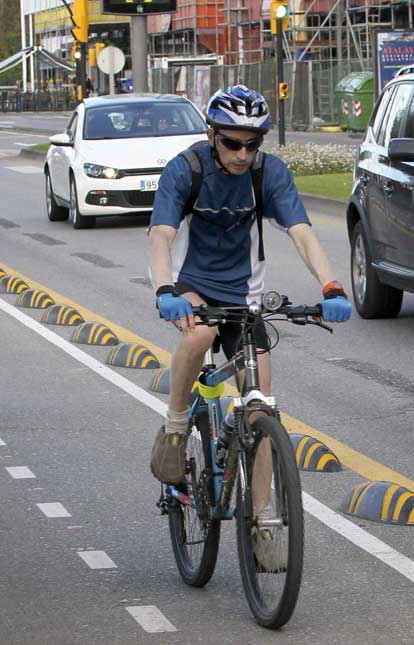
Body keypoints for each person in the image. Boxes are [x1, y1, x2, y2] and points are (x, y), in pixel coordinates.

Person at [146, 85, 351, 489]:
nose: (242, 154)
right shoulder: (186, 170)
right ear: (211, 136)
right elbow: (161, 236)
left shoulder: (267, 172)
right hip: (187, 283)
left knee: (260, 406)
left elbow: (303, 234)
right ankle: (174, 423)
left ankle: (264, 525)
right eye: (232, 144)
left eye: (252, 144)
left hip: (244, 296)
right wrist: (165, 291)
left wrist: (331, 286)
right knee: (200, 332)